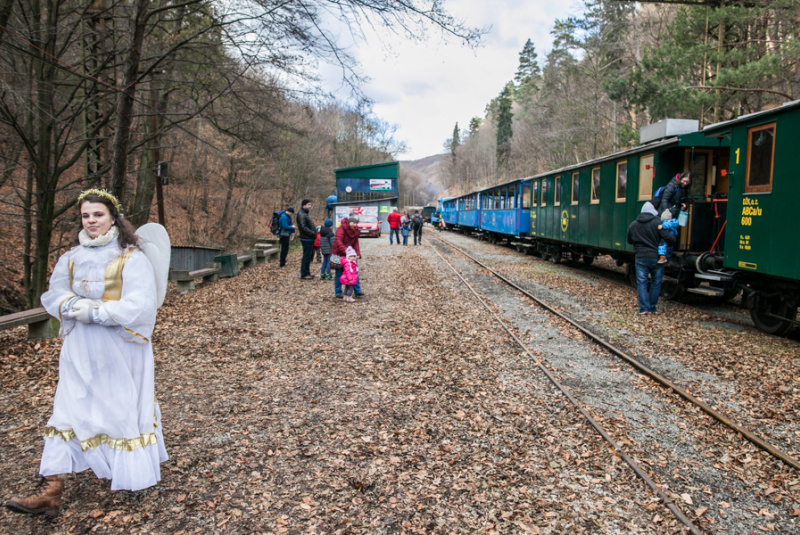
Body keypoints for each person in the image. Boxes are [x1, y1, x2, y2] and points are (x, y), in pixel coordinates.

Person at [6, 189, 169, 517]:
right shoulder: (72, 258)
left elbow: (141, 305)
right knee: (69, 407)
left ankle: (129, 473)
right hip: (79, 347)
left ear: (113, 218)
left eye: (98, 215)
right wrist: (70, 305)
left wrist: (97, 311)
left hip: (119, 348)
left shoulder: (131, 258)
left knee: (117, 409)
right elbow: (54, 293)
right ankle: (51, 489)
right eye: (85, 215)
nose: (91, 221)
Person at [627, 201, 676, 315]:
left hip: (640, 257)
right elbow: (670, 239)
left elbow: (629, 240)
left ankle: (644, 308)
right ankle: (652, 307)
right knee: (656, 282)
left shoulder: (633, 224)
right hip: (656, 257)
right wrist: (667, 245)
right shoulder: (657, 222)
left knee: (642, 282)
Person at [332, 214, 363, 298]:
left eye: (356, 223)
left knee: (354, 272)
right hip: (338, 254)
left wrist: (358, 254)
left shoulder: (356, 231)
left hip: (350, 255)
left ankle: (357, 291)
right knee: (339, 273)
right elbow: (338, 242)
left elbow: (356, 244)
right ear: (349, 222)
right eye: (353, 222)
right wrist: (347, 251)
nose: (354, 224)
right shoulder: (341, 229)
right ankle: (338, 292)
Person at [296, 199, 316, 279]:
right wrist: (312, 233)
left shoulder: (305, 214)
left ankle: (307, 272)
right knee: (306, 256)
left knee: (308, 256)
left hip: (309, 238)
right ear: (304, 205)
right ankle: (304, 274)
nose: (310, 206)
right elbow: (303, 227)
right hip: (306, 238)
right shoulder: (301, 214)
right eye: (308, 204)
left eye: (310, 204)